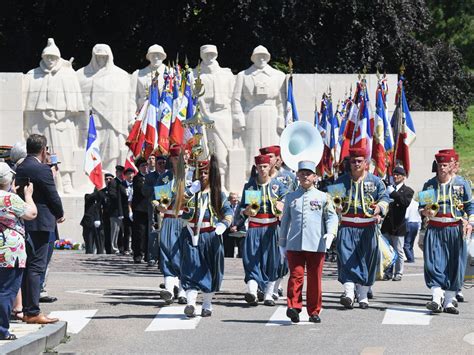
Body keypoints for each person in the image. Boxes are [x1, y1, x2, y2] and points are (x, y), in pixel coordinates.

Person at [279, 161, 338, 323]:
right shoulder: (291, 197)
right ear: (297, 175)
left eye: (308, 173)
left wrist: (331, 233)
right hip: (295, 244)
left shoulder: (323, 196)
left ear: (314, 177)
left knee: (314, 279)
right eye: (302, 173)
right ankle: (293, 307)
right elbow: (285, 221)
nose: (305, 176)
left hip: (316, 243)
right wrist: (282, 243)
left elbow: (332, 217)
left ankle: (314, 311)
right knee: (295, 277)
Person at [23, 38, 84, 194]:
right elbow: (26, 106)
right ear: (42, 57)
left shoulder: (68, 75)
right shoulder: (32, 75)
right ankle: (39, 182)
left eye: (53, 57)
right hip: (40, 122)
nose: (50, 60)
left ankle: (66, 181)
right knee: (40, 153)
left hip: (62, 122)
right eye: (47, 57)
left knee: (64, 153)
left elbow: (76, 106)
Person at [15, 134, 63, 324]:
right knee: (37, 267)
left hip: (25, 222)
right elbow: (53, 196)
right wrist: (59, 213)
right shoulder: (42, 169)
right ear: (43, 150)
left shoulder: (21, 167)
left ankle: (27, 309)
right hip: (41, 223)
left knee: (27, 268)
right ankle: (33, 311)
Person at [333, 147, 389, 310]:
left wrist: (379, 208)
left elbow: (385, 198)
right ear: (349, 163)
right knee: (345, 259)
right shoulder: (340, 181)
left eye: (359, 161)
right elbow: (333, 200)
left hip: (367, 228)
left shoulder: (376, 181)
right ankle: (349, 293)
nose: (356, 164)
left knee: (367, 261)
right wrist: (336, 205)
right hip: (347, 226)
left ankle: (363, 294)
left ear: (366, 163)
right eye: (353, 161)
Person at [420, 151, 473, 314]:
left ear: (452, 166)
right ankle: (436, 298)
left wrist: (471, 222)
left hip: (455, 230)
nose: (442, 168)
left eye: (445, 165)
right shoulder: (429, 185)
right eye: (439, 165)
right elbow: (421, 207)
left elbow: (470, 206)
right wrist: (425, 212)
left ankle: (449, 301)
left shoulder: (462, 184)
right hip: (435, 229)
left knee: (455, 265)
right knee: (433, 264)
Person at [180, 156, 233, 317]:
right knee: (191, 269)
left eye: (206, 173)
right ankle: (190, 304)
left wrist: (224, 225)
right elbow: (178, 205)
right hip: (191, 235)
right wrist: (189, 192)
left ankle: (207, 304)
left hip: (210, 235)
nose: (203, 176)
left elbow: (228, 212)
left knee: (210, 270)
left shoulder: (217, 193)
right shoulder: (192, 192)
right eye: (201, 172)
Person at [240, 154, 288, 306]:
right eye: (260, 167)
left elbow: (286, 203)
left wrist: (282, 206)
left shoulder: (278, 186)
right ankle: (252, 292)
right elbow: (242, 210)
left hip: (271, 228)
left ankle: (268, 294)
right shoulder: (250, 187)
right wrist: (246, 211)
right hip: (254, 227)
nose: (262, 169)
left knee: (272, 262)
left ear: (270, 167)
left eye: (265, 166)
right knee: (252, 260)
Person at [77, 44, 133, 172]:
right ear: (93, 57)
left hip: (113, 123)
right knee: (92, 151)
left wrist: (129, 119)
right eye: (98, 57)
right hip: (91, 121)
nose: (101, 60)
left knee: (112, 150)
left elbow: (127, 100)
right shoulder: (82, 75)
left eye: (104, 57)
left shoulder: (120, 75)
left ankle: (110, 176)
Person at [232, 46, 286, 173]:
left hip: (271, 114)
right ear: (253, 57)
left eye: (264, 56)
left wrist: (281, 119)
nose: (261, 58)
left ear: (268, 57)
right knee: (252, 147)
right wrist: (239, 118)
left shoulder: (279, 76)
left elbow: (281, 101)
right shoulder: (243, 75)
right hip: (252, 113)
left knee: (271, 146)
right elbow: (236, 99)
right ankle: (251, 174)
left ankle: (273, 173)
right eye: (258, 56)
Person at [0, 163, 38, 340]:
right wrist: (28, 196)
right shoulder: (10, 199)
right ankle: (1, 329)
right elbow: (31, 214)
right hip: (9, 251)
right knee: (7, 290)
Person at [148, 146, 187, 304]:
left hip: (187, 221)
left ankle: (184, 290)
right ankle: (170, 289)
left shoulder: (194, 177)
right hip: (170, 220)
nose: (180, 161)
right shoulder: (165, 178)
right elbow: (159, 199)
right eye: (176, 158)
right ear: (172, 159)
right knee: (167, 252)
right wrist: (159, 204)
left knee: (186, 255)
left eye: (182, 158)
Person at [195, 45, 236, 188]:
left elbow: (234, 97)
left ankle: (222, 185)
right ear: (201, 55)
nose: (209, 57)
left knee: (221, 152)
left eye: (212, 54)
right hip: (202, 116)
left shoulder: (227, 74)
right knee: (204, 152)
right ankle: (204, 185)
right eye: (206, 54)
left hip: (222, 115)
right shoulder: (194, 74)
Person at [381, 166, 414, 281]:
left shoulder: (408, 190)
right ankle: (388, 271)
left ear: (403, 177)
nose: (395, 177)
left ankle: (399, 272)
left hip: (398, 225)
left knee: (398, 250)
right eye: (394, 174)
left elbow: (405, 203)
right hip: (387, 224)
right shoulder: (389, 188)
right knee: (388, 250)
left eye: (398, 175)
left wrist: (394, 193)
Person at [130, 44, 167, 112]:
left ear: (163, 57)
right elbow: (132, 98)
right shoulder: (138, 74)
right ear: (148, 57)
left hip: (165, 116)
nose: (156, 58)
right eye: (153, 55)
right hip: (143, 114)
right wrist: (132, 117)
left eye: (158, 55)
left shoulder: (172, 73)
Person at [131, 158, 149, 263]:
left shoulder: (150, 176)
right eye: (143, 165)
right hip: (140, 209)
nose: (145, 167)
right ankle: (138, 254)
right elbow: (142, 190)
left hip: (150, 209)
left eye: (146, 165)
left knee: (148, 233)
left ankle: (147, 254)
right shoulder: (137, 178)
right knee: (139, 233)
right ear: (139, 167)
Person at [80, 188, 105, 254]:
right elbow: (90, 197)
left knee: (100, 246)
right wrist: (99, 189)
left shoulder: (101, 198)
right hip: (88, 223)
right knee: (89, 246)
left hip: (99, 223)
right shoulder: (88, 196)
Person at [223, 192, 246, 258]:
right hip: (229, 230)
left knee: (241, 252)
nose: (236, 200)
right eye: (233, 198)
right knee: (228, 252)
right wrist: (230, 226)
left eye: (237, 198)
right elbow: (224, 216)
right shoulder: (226, 206)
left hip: (240, 230)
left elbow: (243, 217)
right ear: (230, 199)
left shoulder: (242, 206)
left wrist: (236, 226)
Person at [404, 199, 421, 263]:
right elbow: (419, 215)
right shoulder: (417, 203)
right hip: (416, 223)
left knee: (406, 244)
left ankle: (410, 258)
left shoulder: (408, 203)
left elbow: (406, 216)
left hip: (409, 223)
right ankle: (411, 257)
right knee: (411, 243)